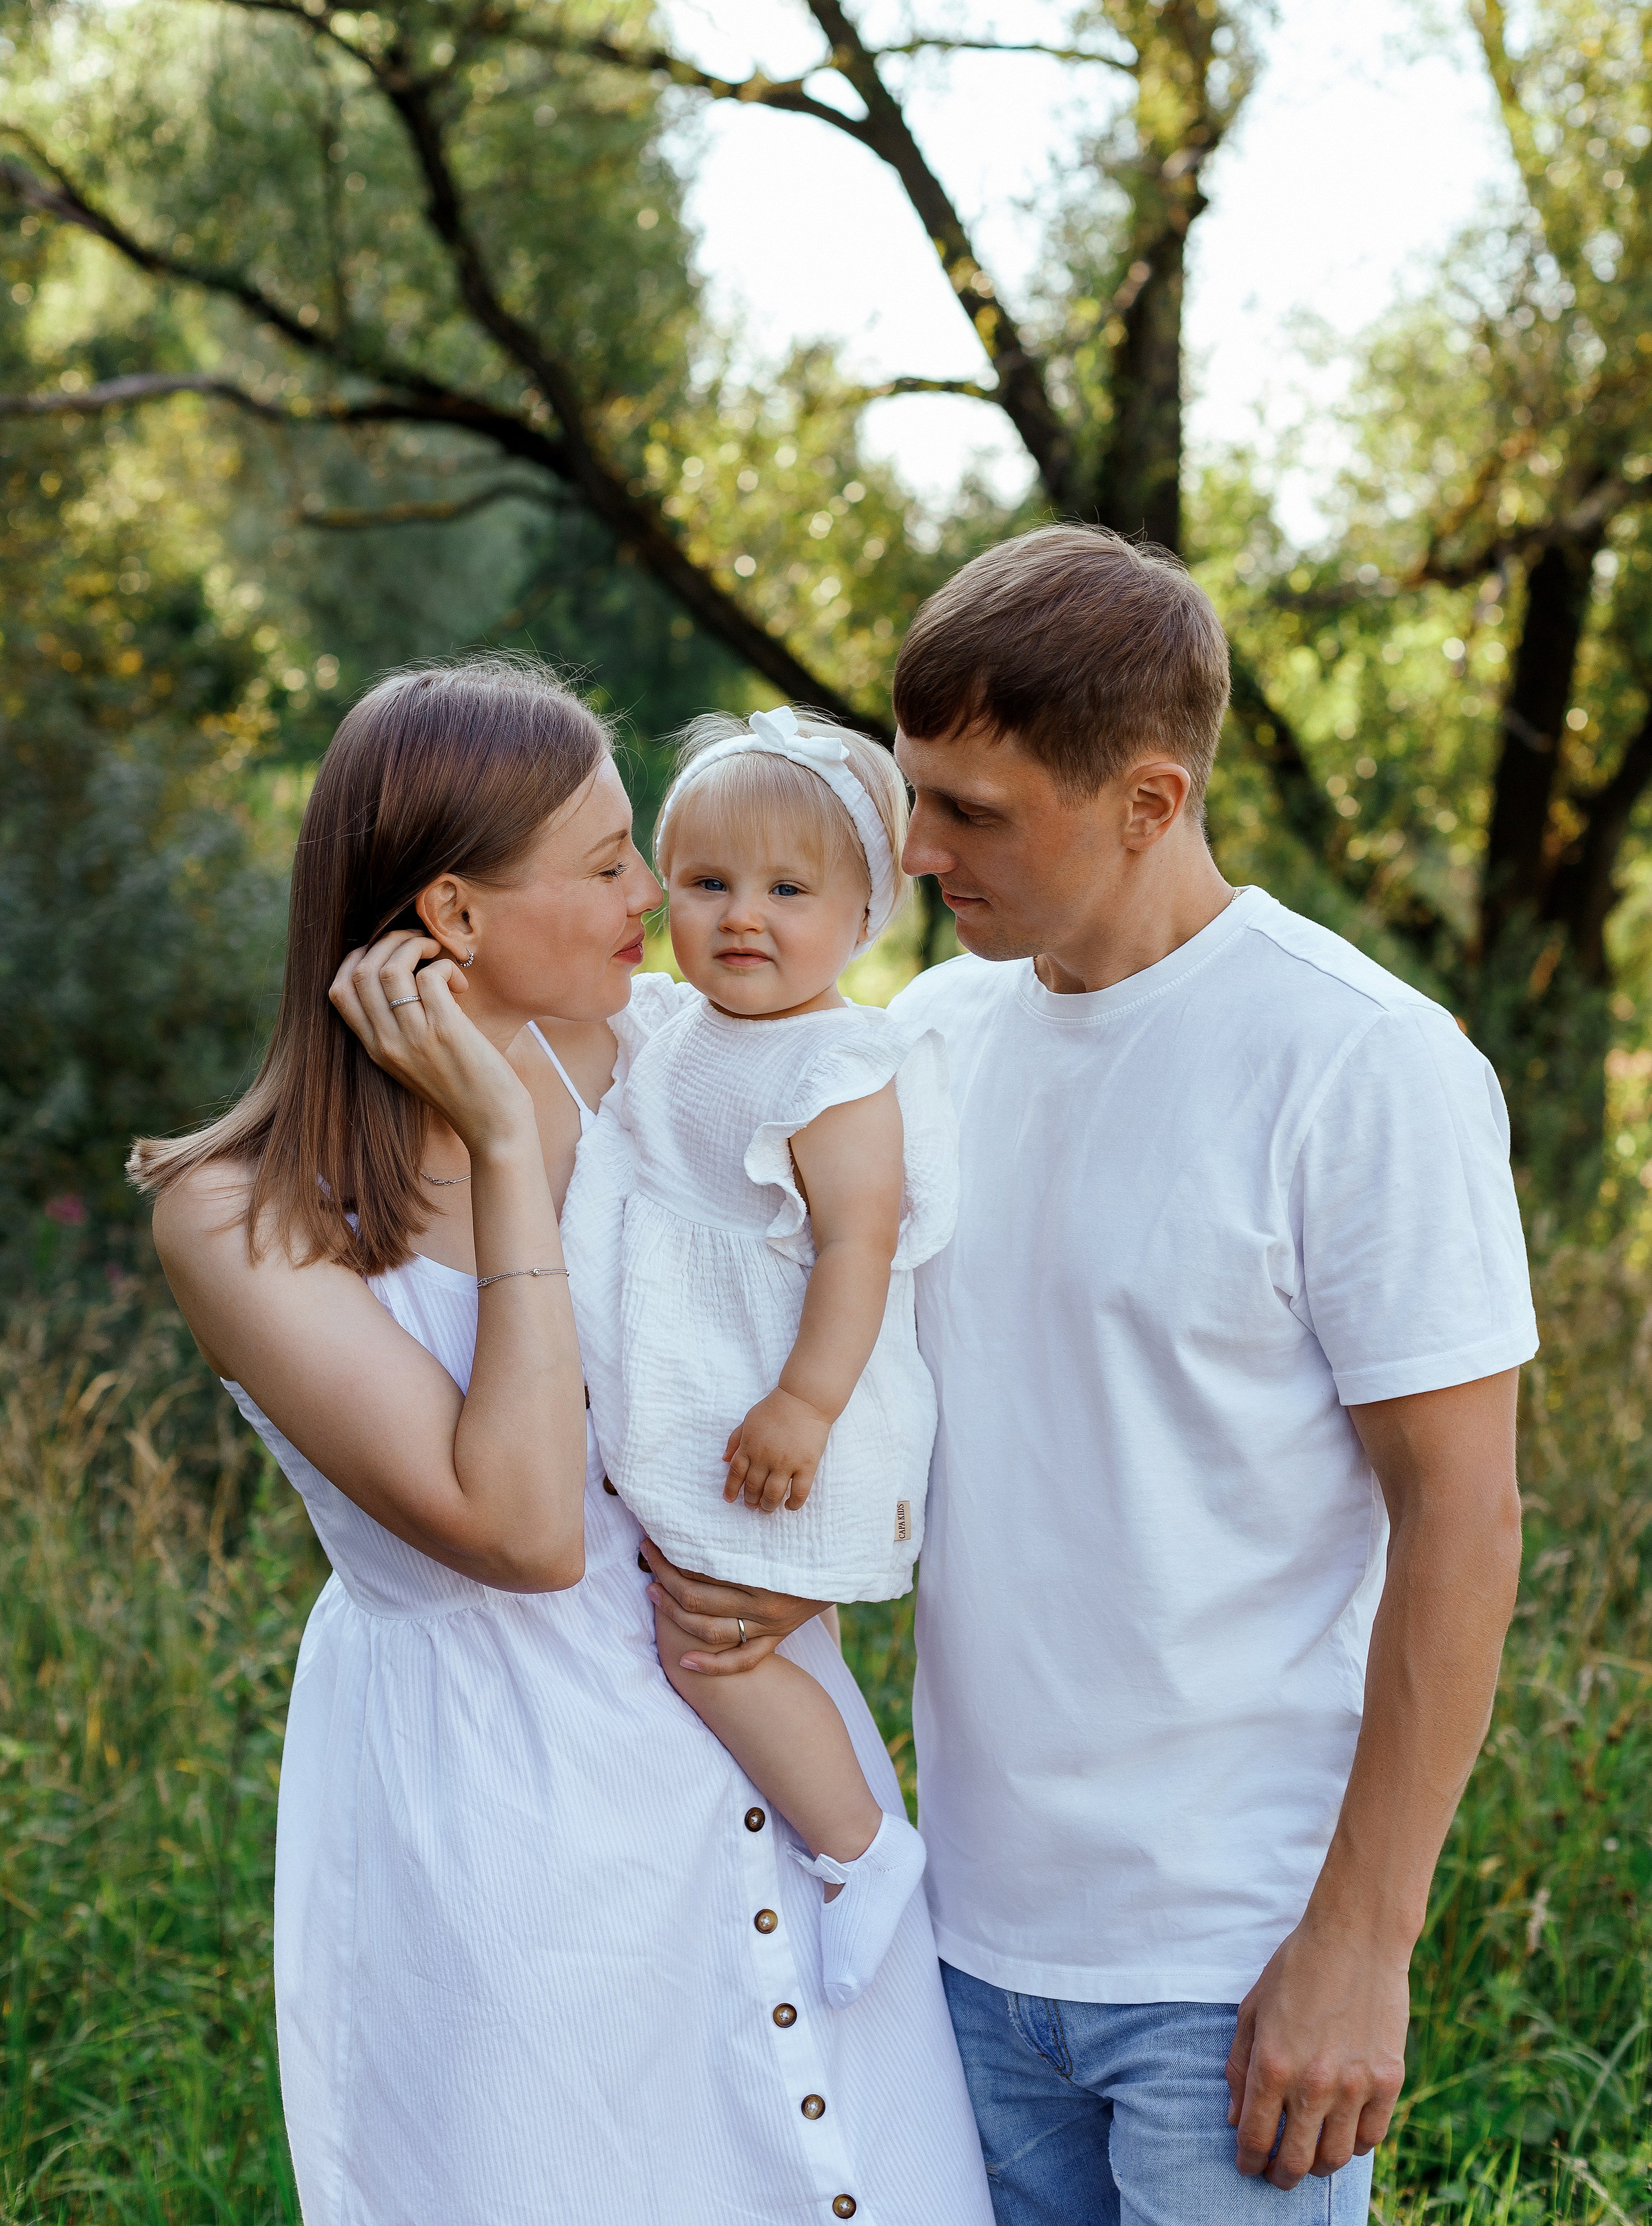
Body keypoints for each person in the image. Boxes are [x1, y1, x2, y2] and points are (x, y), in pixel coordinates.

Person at [647, 531, 1536, 2222]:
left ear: (1150, 798)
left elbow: (1465, 1520)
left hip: (1230, 1969)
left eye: (971, 812)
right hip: (952, 1935)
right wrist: (778, 1588)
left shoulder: (1360, 1064)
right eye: (915, 795)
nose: (913, 852)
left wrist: (1361, 1943)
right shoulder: (928, 1048)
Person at [130, 655, 994, 2226]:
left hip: (760, 1725)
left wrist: (817, 1554)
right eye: (605, 864)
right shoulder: (240, 1216)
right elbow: (525, 1528)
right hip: (511, 1804)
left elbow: (877, 1307)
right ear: (451, 919)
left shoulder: (687, 1058)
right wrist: (500, 1146)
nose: (655, 891)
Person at [577, 704, 949, 2008]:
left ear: (862, 920)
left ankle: (859, 1853)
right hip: (712, 1384)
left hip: (794, 1410)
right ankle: (788, 1863)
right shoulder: (676, 1026)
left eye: (789, 889)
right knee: (719, 1641)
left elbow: (858, 1249)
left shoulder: (838, 1064)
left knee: (710, 1645)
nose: (745, 915)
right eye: (709, 882)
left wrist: (802, 1402)